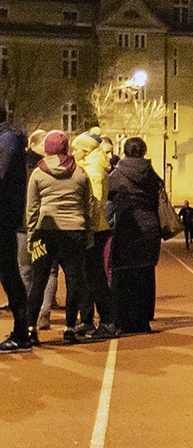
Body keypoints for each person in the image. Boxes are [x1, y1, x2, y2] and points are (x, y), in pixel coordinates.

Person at [24, 130, 93, 344]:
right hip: (74, 231)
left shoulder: (38, 173)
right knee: (74, 281)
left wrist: (31, 236)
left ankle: (30, 327)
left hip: (45, 231)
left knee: (39, 280)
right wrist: (88, 234)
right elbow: (88, 206)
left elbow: (32, 208)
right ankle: (70, 327)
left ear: (46, 148)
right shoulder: (80, 173)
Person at [107, 137, 161, 334]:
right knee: (145, 274)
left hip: (127, 225)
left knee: (122, 274)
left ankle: (121, 320)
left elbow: (106, 195)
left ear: (125, 151)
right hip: (150, 228)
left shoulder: (117, 175)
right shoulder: (152, 175)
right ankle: (142, 321)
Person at [71, 128, 118, 339]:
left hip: (94, 230)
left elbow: (95, 203)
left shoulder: (94, 171)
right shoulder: (90, 165)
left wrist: (86, 227)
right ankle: (88, 320)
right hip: (93, 228)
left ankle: (107, 321)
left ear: (86, 150)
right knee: (88, 276)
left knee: (95, 277)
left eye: (77, 148)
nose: (73, 152)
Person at [16, 128, 59, 331]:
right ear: (32, 145)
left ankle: (40, 312)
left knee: (39, 269)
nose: (46, 148)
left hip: (30, 224)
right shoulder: (38, 169)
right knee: (34, 269)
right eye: (43, 144)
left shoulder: (23, 167)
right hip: (37, 224)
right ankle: (37, 310)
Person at [0, 111, 32, 352]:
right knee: (9, 274)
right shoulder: (9, 140)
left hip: (3, 219)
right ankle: (23, 331)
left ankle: (23, 332)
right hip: (6, 218)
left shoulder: (7, 141)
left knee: (10, 274)